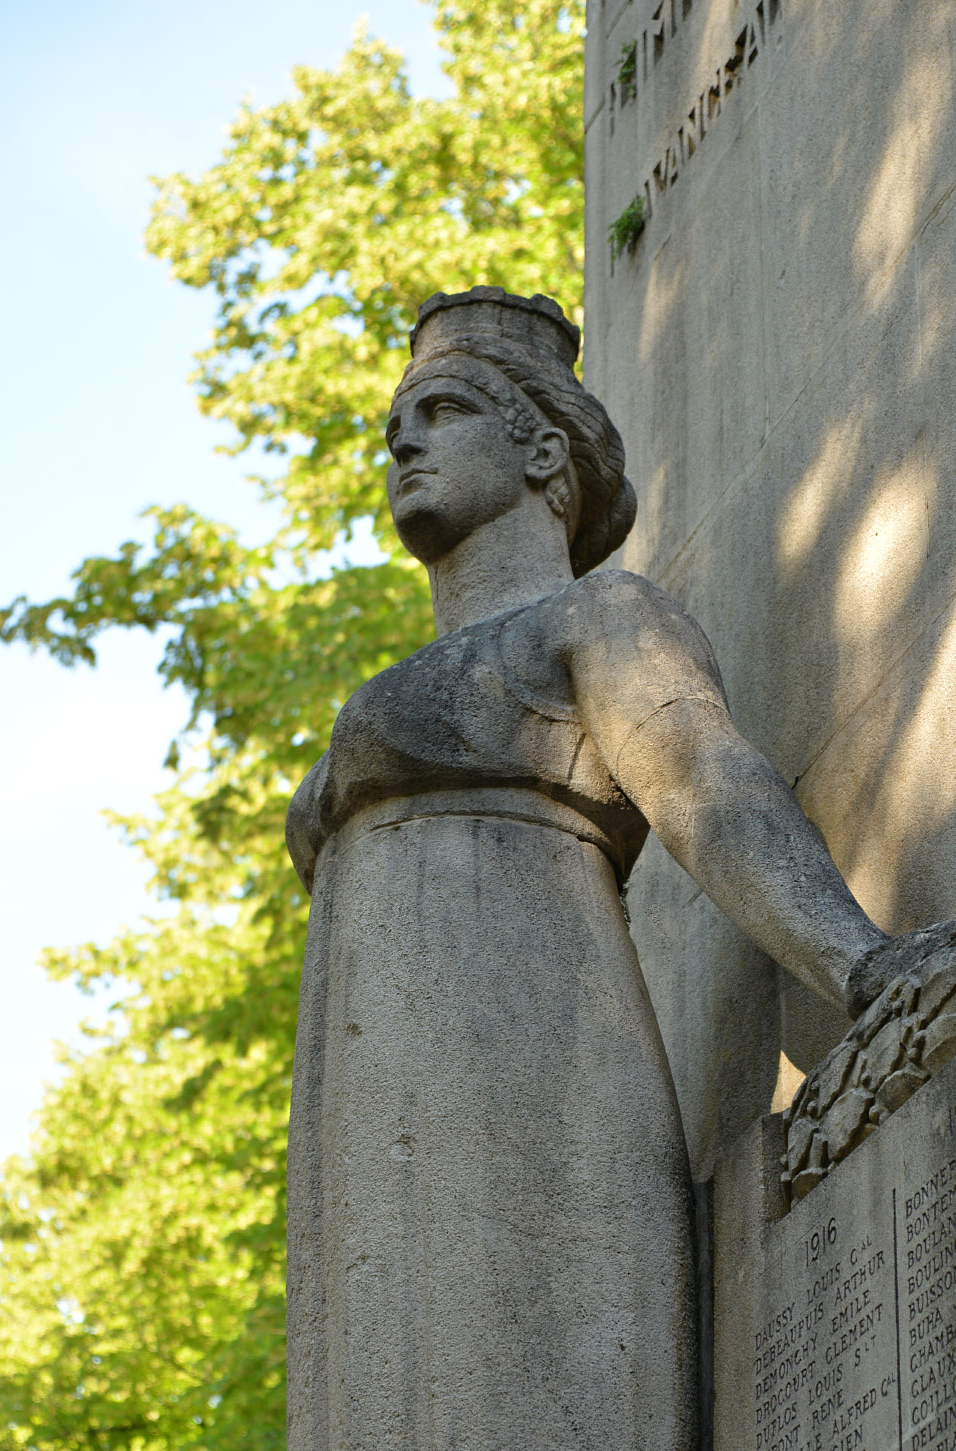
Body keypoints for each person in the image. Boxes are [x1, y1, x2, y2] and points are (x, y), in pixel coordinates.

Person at [281, 286, 937, 1449]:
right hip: (372, 1087)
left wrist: (858, 960)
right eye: (397, 422)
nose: (400, 442)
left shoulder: (597, 618)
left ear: (541, 451)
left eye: (439, 412)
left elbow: (709, 790)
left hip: (526, 1051)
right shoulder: (401, 684)